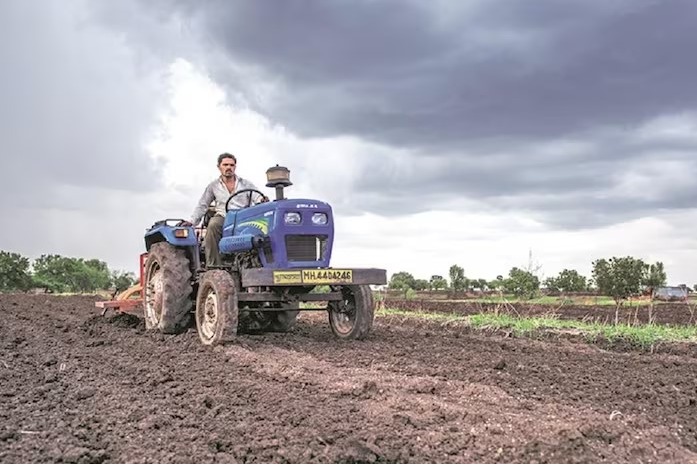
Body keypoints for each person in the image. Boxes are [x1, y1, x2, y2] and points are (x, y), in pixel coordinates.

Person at [182, 153, 267, 267]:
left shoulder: (246, 184)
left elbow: (258, 198)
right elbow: (203, 205)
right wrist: (192, 221)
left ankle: (261, 262)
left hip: (243, 217)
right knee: (213, 225)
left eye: (231, 165)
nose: (228, 168)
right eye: (225, 165)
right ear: (219, 167)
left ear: (235, 167)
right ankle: (214, 266)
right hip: (224, 216)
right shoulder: (213, 186)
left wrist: (263, 200)